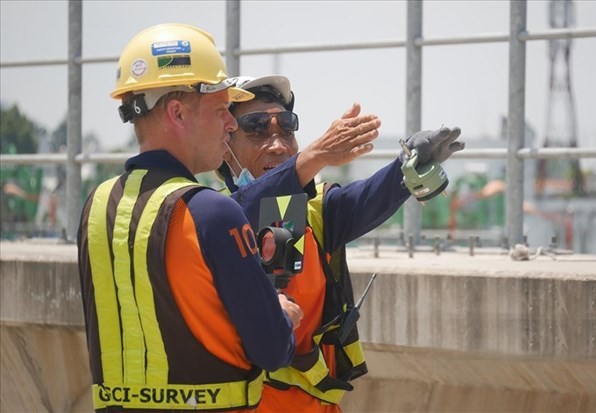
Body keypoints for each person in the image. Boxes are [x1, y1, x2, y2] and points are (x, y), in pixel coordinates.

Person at [77, 24, 307, 413]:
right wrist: (283, 316)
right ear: (178, 112)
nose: (231, 123)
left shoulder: (97, 205)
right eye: (221, 110)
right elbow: (271, 349)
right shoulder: (211, 212)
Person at [217, 75, 464, 413]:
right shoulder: (211, 218)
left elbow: (369, 198)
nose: (277, 145)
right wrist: (314, 157)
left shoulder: (314, 213)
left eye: (286, 129)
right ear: (223, 145)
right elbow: (248, 210)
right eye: (256, 129)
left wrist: (409, 166)